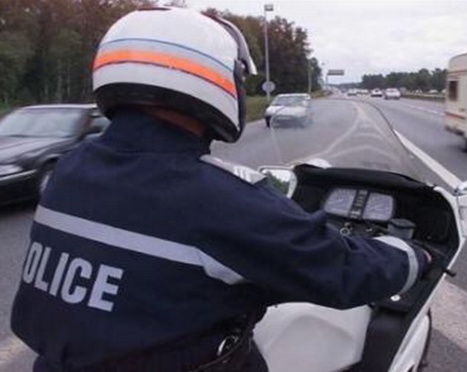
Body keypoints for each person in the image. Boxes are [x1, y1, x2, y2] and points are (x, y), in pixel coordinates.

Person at [11, 7, 430, 372]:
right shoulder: (214, 199)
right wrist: (413, 255)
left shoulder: (71, 169)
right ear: (210, 76)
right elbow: (340, 270)